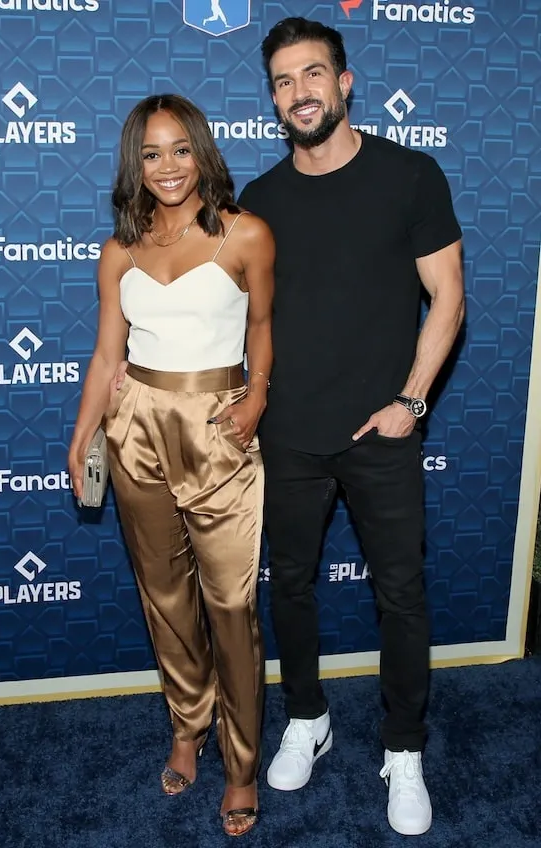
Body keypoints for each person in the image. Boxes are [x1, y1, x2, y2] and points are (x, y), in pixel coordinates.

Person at [236, 17, 465, 837]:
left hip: (382, 434)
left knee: (401, 593)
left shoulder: (410, 176)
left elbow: (450, 296)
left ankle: (404, 747)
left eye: (312, 74)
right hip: (289, 432)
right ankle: (308, 716)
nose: (299, 92)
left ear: (345, 80)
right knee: (289, 587)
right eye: (283, 81)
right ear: (273, 98)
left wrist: (409, 402)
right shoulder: (257, 201)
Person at [68, 93, 275, 838]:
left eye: (180, 149)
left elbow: (261, 331)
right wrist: (83, 430)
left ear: (203, 151)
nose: (166, 166)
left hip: (218, 429)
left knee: (232, 607)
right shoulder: (118, 249)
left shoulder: (245, 233)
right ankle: (187, 726)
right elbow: (106, 354)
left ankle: (242, 763)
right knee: (166, 599)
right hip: (139, 430)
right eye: (151, 153)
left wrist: (256, 400)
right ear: (135, 162)